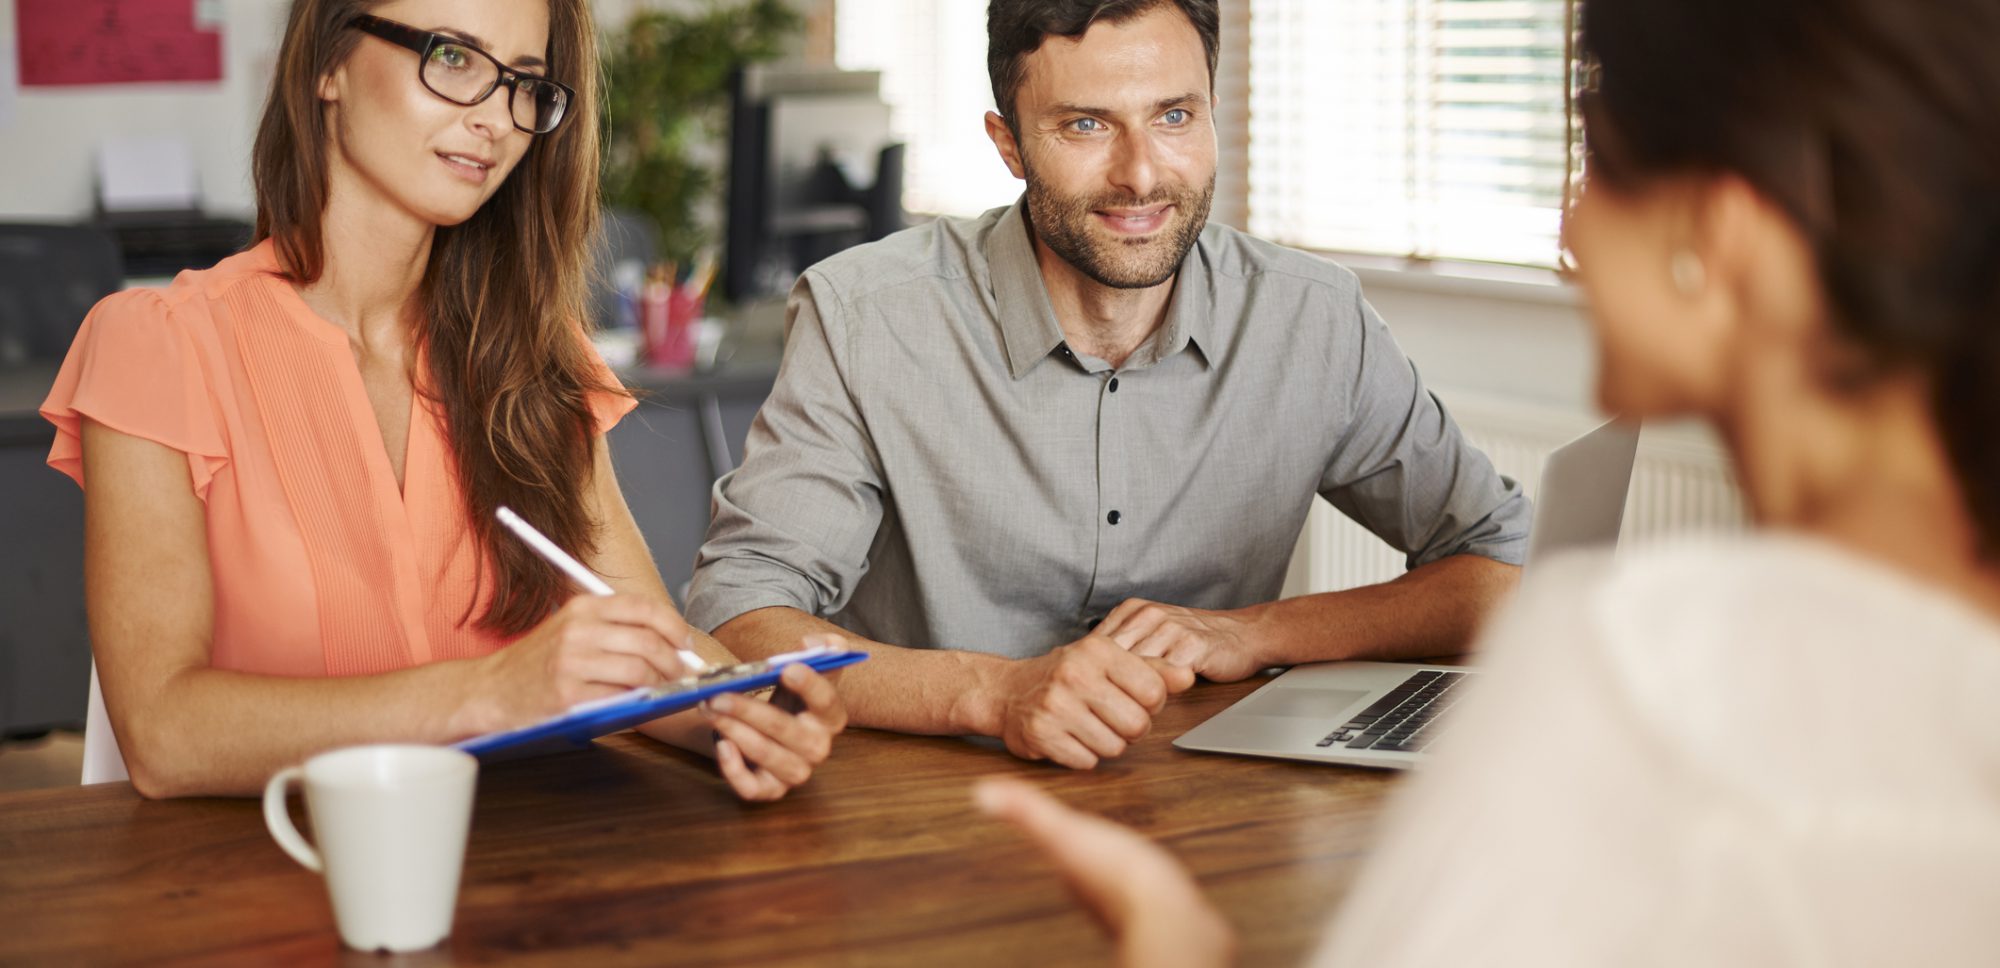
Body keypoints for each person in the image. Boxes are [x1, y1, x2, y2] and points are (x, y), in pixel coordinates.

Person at [976, 0, 2000, 961]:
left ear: (1718, 244)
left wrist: (1177, 941)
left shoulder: (1641, 662)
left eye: (1593, 169)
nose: (1569, 231)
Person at [686, 0, 1530, 770]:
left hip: (1209, 810)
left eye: (1173, 116)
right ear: (1008, 143)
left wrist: (1253, 633)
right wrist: (989, 692)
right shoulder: (867, 317)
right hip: (926, 808)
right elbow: (740, 618)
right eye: (1086, 124)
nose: (1141, 174)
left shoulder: (1310, 317)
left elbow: (1506, 567)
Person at [39, 0, 846, 800]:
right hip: (265, 885)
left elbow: (645, 646)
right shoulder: (156, 345)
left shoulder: (535, 354)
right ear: (329, 64)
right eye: (452, 56)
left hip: (530, 879)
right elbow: (162, 735)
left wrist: (737, 717)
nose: (493, 117)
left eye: (522, 84)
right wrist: (490, 690)